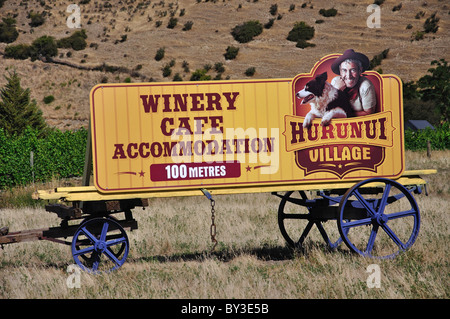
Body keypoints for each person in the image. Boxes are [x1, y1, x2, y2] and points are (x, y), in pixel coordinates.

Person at [330, 49, 377, 116]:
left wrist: (344, 115)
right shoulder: (335, 82)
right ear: (340, 72)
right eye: (344, 70)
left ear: (360, 70)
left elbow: (368, 113)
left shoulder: (366, 86)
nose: (349, 76)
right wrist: (337, 91)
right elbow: (327, 109)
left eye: (353, 70)